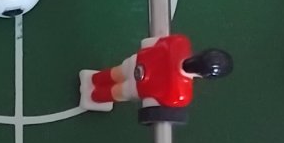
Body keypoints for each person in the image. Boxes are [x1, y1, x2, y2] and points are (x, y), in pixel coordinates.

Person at [80, 35, 233, 112]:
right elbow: (157, 102)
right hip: (137, 83)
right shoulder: (181, 94)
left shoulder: (179, 43)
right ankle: (94, 95)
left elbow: (151, 42)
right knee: (117, 89)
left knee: (116, 76)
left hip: (136, 67)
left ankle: (94, 83)